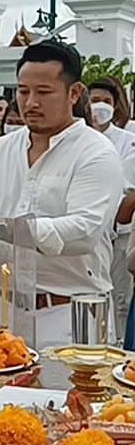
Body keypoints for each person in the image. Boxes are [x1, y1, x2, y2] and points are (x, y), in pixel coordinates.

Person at [0, 40, 123, 361]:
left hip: (70, 315)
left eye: (44, 92)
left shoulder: (96, 153)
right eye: (23, 91)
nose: (30, 102)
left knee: (72, 408)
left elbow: (83, 231)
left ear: (74, 93)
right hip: (2, 311)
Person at [88, 79, 135, 331]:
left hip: (120, 231)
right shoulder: (82, 138)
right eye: (95, 101)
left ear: (116, 106)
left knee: (119, 295)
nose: (100, 107)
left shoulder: (128, 140)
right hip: (91, 229)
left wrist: (121, 220)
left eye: (106, 102)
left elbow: (128, 190)